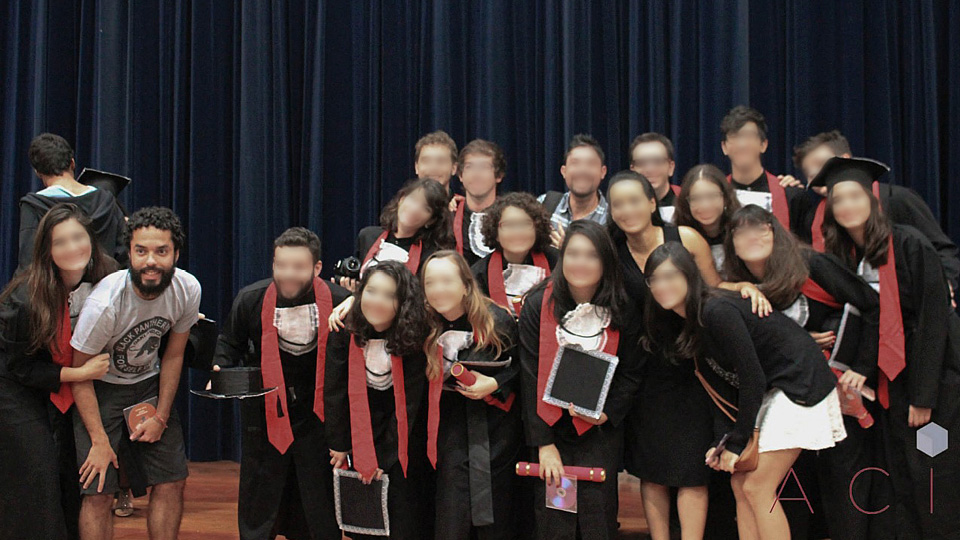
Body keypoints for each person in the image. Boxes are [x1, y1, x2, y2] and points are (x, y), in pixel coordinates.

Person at [604, 170, 769, 540]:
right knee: (651, 469)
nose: (627, 210)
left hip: (694, 364)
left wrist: (744, 287)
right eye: (618, 204)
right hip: (644, 370)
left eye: (634, 201)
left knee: (693, 468)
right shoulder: (611, 250)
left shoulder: (686, 237)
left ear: (652, 203)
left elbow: (713, 286)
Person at [643, 242, 846, 540]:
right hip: (777, 390)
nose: (663, 286)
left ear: (690, 275)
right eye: (655, 279)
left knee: (757, 486)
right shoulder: (689, 322)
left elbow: (752, 378)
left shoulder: (715, 310)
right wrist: (723, 442)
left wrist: (737, 443)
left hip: (801, 383)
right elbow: (721, 390)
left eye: (671, 276)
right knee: (741, 483)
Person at [811, 156, 960, 539]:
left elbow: (935, 322)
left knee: (933, 470)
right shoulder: (848, 256)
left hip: (934, 382)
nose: (847, 206)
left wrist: (924, 397)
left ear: (873, 200)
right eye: (838, 200)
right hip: (889, 382)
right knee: (901, 474)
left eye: (855, 197)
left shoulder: (910, 243)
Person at [723, 204, 883, 540]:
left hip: (837, 385)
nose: (752, 236)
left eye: (760, 228)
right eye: (741, 231)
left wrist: (861, 366)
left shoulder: (809, 264)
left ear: (775, 230)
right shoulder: (740, 285)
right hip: (783, 390)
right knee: (786, 486)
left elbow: (870, 303)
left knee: (842, 477)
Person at [70, 207, 201, 540]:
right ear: (129, 253)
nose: (150, 261)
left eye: (161, 251)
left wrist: (161, 416)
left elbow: (173, 355)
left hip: (148, 385)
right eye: (141, 251)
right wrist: (99, 440)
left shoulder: (187, 289)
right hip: (99, 390)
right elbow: (79, 374)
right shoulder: (105, 304)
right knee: (98, 489)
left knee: (171, 480)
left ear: (176, 254)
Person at [211, 227, 349, 540]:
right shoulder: (251, 298)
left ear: (316, 268)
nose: (288, 274)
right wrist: (220, 370)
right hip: (266, 413)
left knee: (317, 498)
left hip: (319, 414)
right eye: (281, 265)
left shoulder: (341, 301)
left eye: (298, 267)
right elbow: (229, 343)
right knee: (261, 494)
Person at [518, 220, 644, 539]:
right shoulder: (538, 304)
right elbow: (529, 376)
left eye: (591, 255)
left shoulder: (623, 308)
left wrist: (607, 413)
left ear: (606, 261)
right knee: (558, 518)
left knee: (597, 517)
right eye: (573, 254)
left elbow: (632, 372)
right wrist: (544, 444)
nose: (581, 263)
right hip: (552, 430)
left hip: (599, 432)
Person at [0, 204, 117, 540]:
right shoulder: (24, 298)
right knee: (39, 471)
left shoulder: (107, 278)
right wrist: (78, 374)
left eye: (78, 237)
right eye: (60, 242)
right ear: (47, 251)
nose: (72, 248)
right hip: (15, 388)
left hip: (63, 385)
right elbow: (20, 368)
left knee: (70, 471)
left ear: (91, 239)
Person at [324, 261, 429, 540]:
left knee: (403, 515)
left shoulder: (415, 336)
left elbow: (409, 406)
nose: (377, 301)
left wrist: (384, 457)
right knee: (363, 519)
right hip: (357, 429)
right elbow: (334, 391)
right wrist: (340, 443)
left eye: (389, 295)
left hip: (401, 435)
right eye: (371, 291)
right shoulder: (343, 328)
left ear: (403, 302)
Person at [420, 251, 521, 539]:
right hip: (448, 429)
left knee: (494, 517)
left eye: (446, 281)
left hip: (494, 431)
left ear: (466, 285)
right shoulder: (424, 323)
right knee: (451, 515)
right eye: (430, 282)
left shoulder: (496, 320)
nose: (438, 289)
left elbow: (524, 368)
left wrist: (496, 382)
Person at [792, 130, 959, 299]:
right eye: (808, 172)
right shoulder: (815, 218)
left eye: (820, 163)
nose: (814, 174)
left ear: (845, 160)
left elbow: (941, 249)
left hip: (911, 300)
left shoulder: (897, 199)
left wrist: (944, 285)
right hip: (857, 306)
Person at [18, 133, 127, 272]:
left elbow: (29, 261)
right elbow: (124, 253)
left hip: (57, 285)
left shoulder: (34, 206)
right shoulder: (107, 200)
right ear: (72, 163)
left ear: (38, 172)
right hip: (105, 282)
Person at [341, 177, 455, 294]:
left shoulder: (429, 256)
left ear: (430, 221)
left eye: (425, 208)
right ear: (401, 199)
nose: (415, 209)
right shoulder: (368, 236)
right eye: (413, 200)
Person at [471, 192, 559, 318]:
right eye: (509, 225)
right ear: (495, 232)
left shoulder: (558, 262)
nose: (517, 232)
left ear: (537, 228)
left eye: (525, 224)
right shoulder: (479, 275)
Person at [719, 106, 804, 231]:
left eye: (749, 136)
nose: (742, 144)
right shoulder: (717, 195)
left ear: (763, 145)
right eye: (734, 136)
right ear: (724, 147)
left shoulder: (791, 195)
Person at [538, 134, 610, 247]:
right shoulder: (544, 204)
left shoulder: (612, 219)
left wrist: (568, 251)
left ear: (603, 172)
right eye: (575, 163)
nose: (583, 170)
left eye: (590, 163)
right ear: (564, 171)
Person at [673, 164, 742, 272]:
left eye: (712, 196)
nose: (705, 205)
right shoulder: (678, 235)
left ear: (725, 198)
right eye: (696, 198)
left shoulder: (741, 228)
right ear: (686, 202)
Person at [451, 139, 505, 265]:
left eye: (484, 167)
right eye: (470, 167)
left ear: (499, 176)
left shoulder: (511, 217)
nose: (477, 174)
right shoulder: (447, 218)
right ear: (460, 175)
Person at [627, 132, 680, 222]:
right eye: (642, 163)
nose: (650, 169)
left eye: (658, 161)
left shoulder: (687, 205)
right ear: (632, 170)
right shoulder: (624, 209)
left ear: (671, 167)